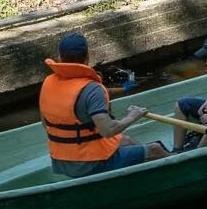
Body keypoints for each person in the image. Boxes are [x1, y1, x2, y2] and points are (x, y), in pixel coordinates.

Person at [39, 32, 163, 177]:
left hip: (60, 162)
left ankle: (138, 171)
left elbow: (44, 124)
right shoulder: (92, 89)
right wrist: (132, 117)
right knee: (155, 149)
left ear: (60, 57)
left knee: (125, 140)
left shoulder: (48, 83)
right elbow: (108, 131)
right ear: (87, 57)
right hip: (89, 164)